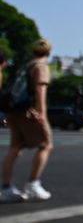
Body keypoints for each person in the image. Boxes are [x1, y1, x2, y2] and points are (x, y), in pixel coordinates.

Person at [1, 39, 54, 202]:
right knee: (46, 144)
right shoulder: (41, 66)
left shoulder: (26, 65)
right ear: (49, 52)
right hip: (29, 112)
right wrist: (42, 113)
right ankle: (33, 184)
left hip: (14, 111)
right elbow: (40, 90)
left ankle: (6, 188)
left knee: (15, 147)